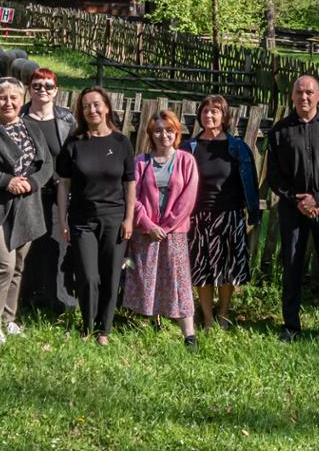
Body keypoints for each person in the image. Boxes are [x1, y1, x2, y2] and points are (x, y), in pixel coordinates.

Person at [0, 77, 55, 345]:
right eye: (2, 97)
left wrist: (33, 182)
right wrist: (6, 181)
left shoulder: (31, 127)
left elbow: (47, 163)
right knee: (3, 266)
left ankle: (9, 319)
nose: (8, 102)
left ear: (21, 99)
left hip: (27, 206)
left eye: (14, 97)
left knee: (18, 267)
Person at [264, 75, 319, 343]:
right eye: (299, 93)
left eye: (309, 93)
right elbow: (275, 177)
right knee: (292, 265)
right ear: (292, 97)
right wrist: (298, 201)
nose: (304, 97)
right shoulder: (280, 131)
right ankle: (291, 325)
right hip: (293, 211)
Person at [56, 86, 137, 346]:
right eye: (86, 106)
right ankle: (87, 325)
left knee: (111, 276)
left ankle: (105, 329)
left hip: (114, 219)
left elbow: (130, 184)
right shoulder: (75, 143)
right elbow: (63, 184)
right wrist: (63, 220)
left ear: (107, 107)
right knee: (89, 276)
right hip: (82, 219)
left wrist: (129, 218)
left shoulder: (121, 142)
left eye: (96, 104)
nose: (92, 109)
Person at [123, 110, 202, 347]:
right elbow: (132, 196)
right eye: (158, 130)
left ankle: (189, 334)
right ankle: (150, 322)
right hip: (144, 232)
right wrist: (148, 225)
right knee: (146, 275)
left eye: (169, 130)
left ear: (176, 132)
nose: (163, 135)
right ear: (150, 134)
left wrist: (166, 227)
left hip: (174, 232)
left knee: (178, 280)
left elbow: (188, 199)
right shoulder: (140, 162)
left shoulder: (186, 161)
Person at [185, 95, 259, 330]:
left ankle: (224, 313)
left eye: (215, 111)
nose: (209, 115)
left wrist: (252, 212)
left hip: (229, 215)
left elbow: (251, 183)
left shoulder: (237, 148)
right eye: (205, 111)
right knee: (202, 269)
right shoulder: (189, 147)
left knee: (228, 269)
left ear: (224, 116)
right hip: (198, 217)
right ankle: (207, 317)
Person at [20, 68, 79, 313]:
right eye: (36, 85)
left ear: (56, 90)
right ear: (29, 88)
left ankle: (59, 302)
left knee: (58, 245)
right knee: (30, 247)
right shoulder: (20, 117)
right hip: (28, 194)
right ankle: (27, 300)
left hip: (59, 194)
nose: (42, 90)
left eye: (47, 86)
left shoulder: (66, 119)